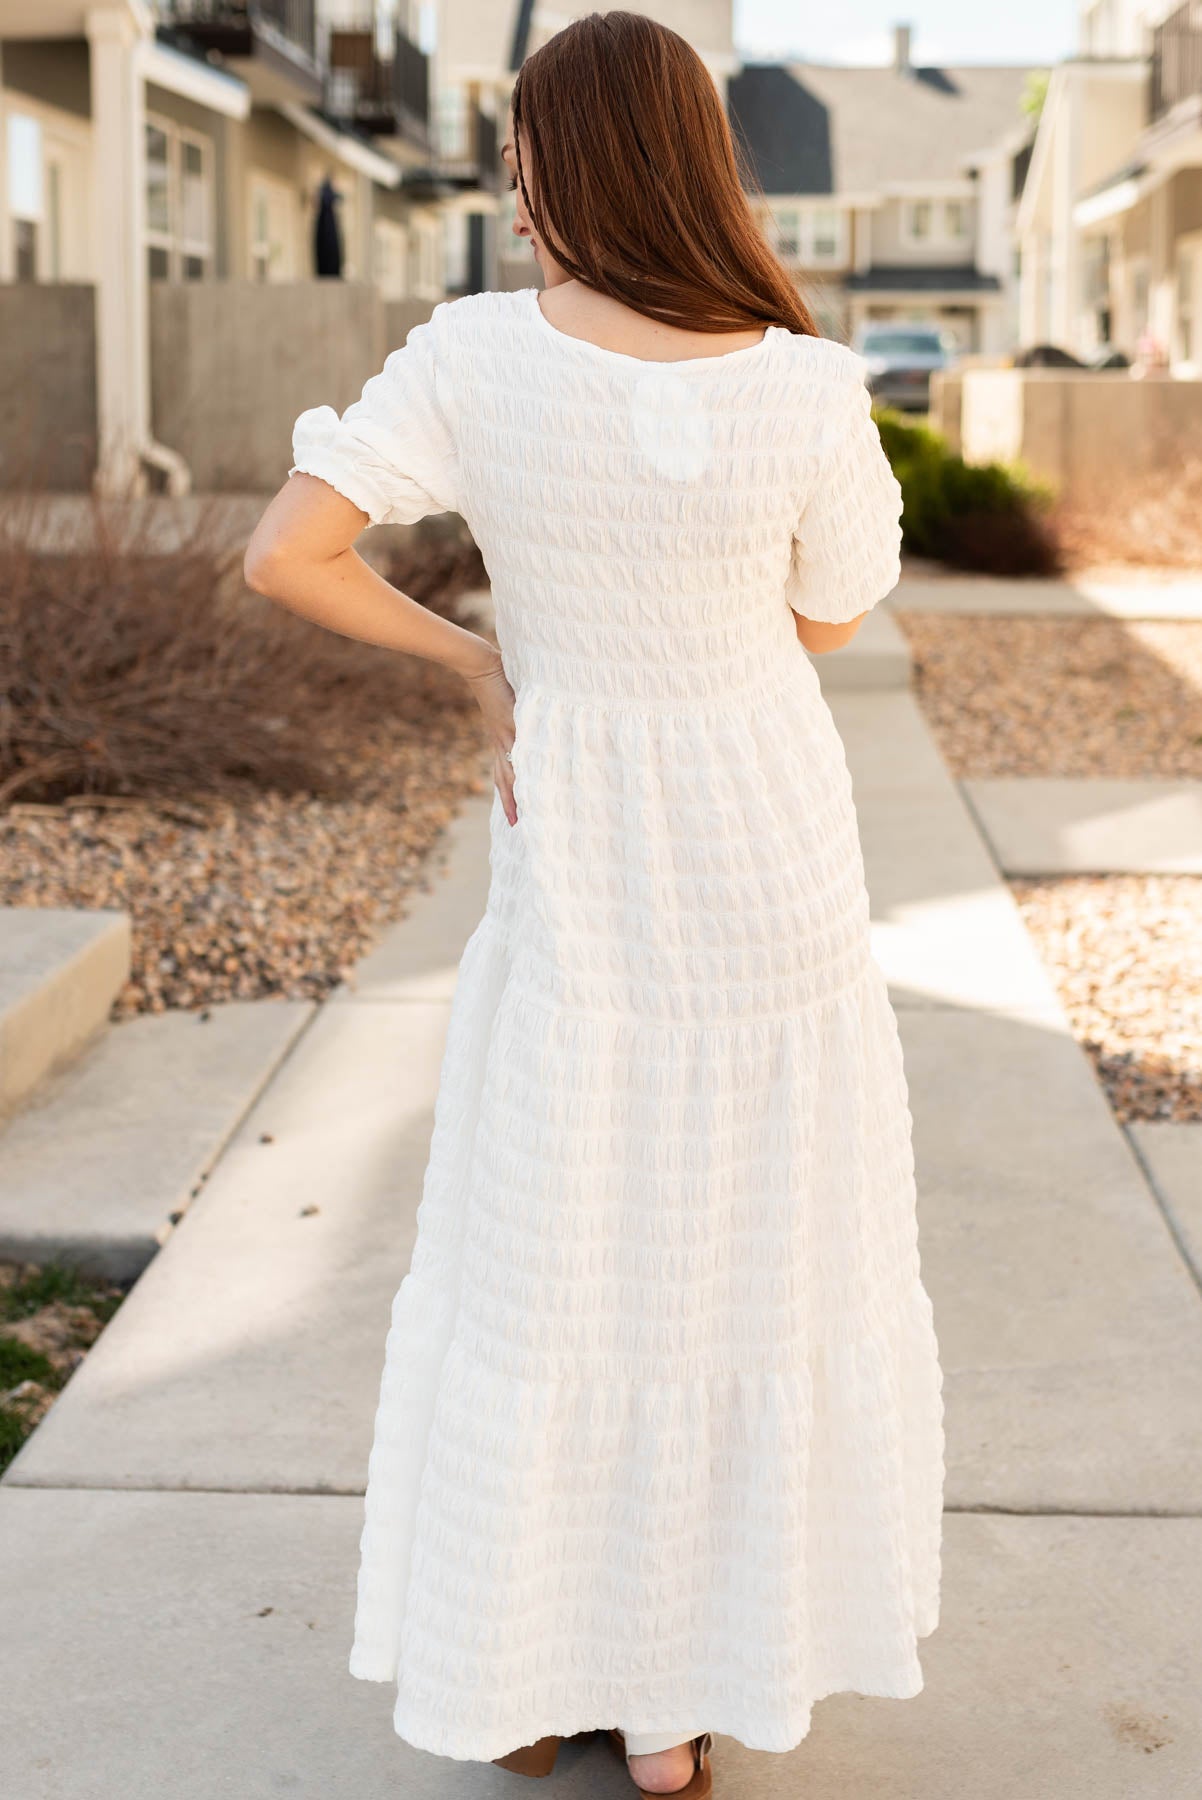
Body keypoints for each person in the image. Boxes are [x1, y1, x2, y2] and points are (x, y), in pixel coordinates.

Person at [243, 13, 945, 1797]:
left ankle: (528, 1666)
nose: (508, 181)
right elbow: (837, 608)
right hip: (764, 840)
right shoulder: (802, 376)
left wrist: (488, 668)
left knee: (561, 1246)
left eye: (516, 149)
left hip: (587, 852)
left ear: (556, 162)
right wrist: (696, 663)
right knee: (736, 1258)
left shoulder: (480, 357)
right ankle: (675, 1705)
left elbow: (285, 554)